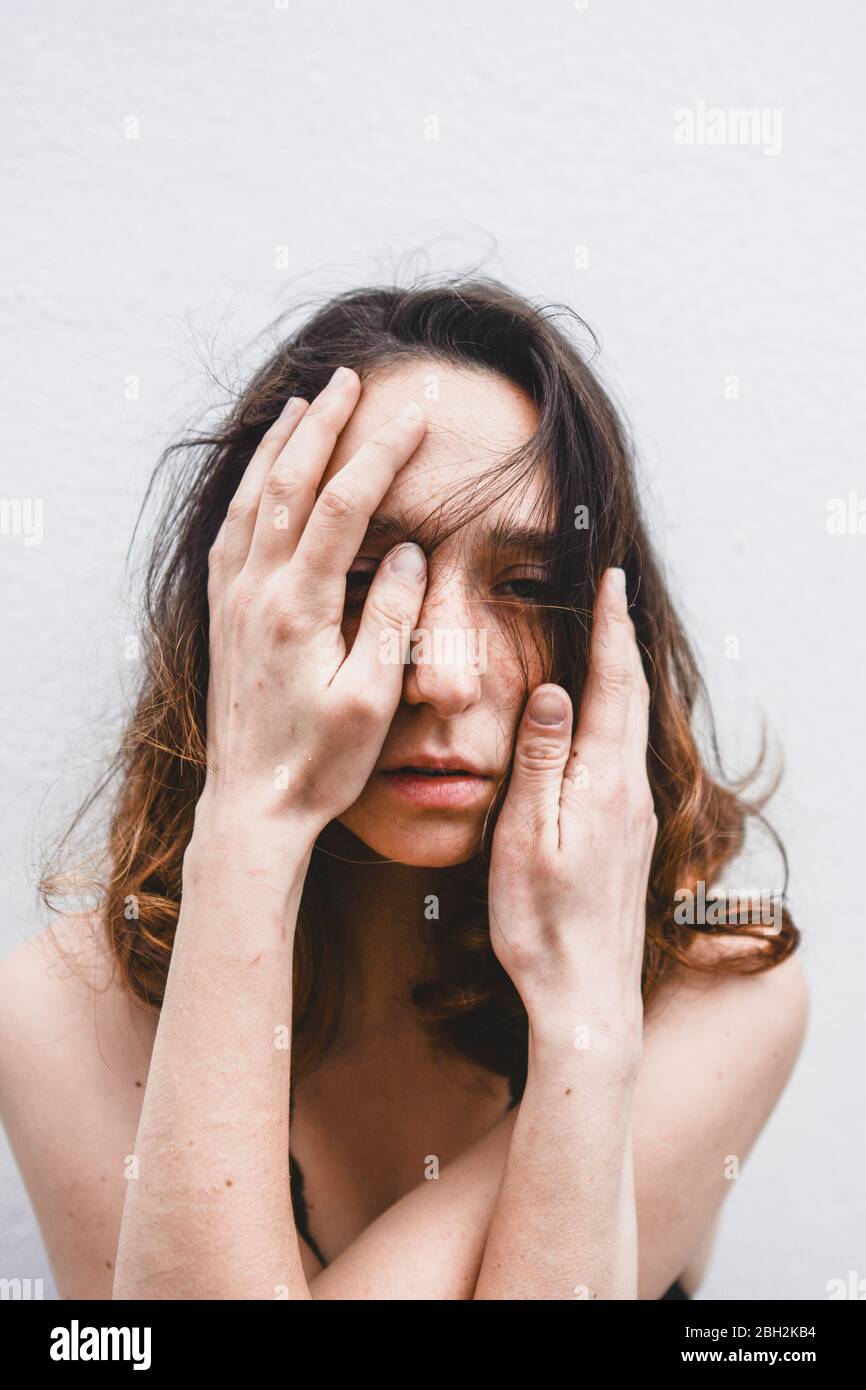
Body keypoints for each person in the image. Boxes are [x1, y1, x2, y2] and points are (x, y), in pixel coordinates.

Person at [0, 280, 808, 1299]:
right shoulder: (65, 1008)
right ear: (240, 614)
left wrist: (582, 1021)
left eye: (522, 586)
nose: (444, 675)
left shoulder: (724, 986)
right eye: (362, 576)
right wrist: (255, 814)